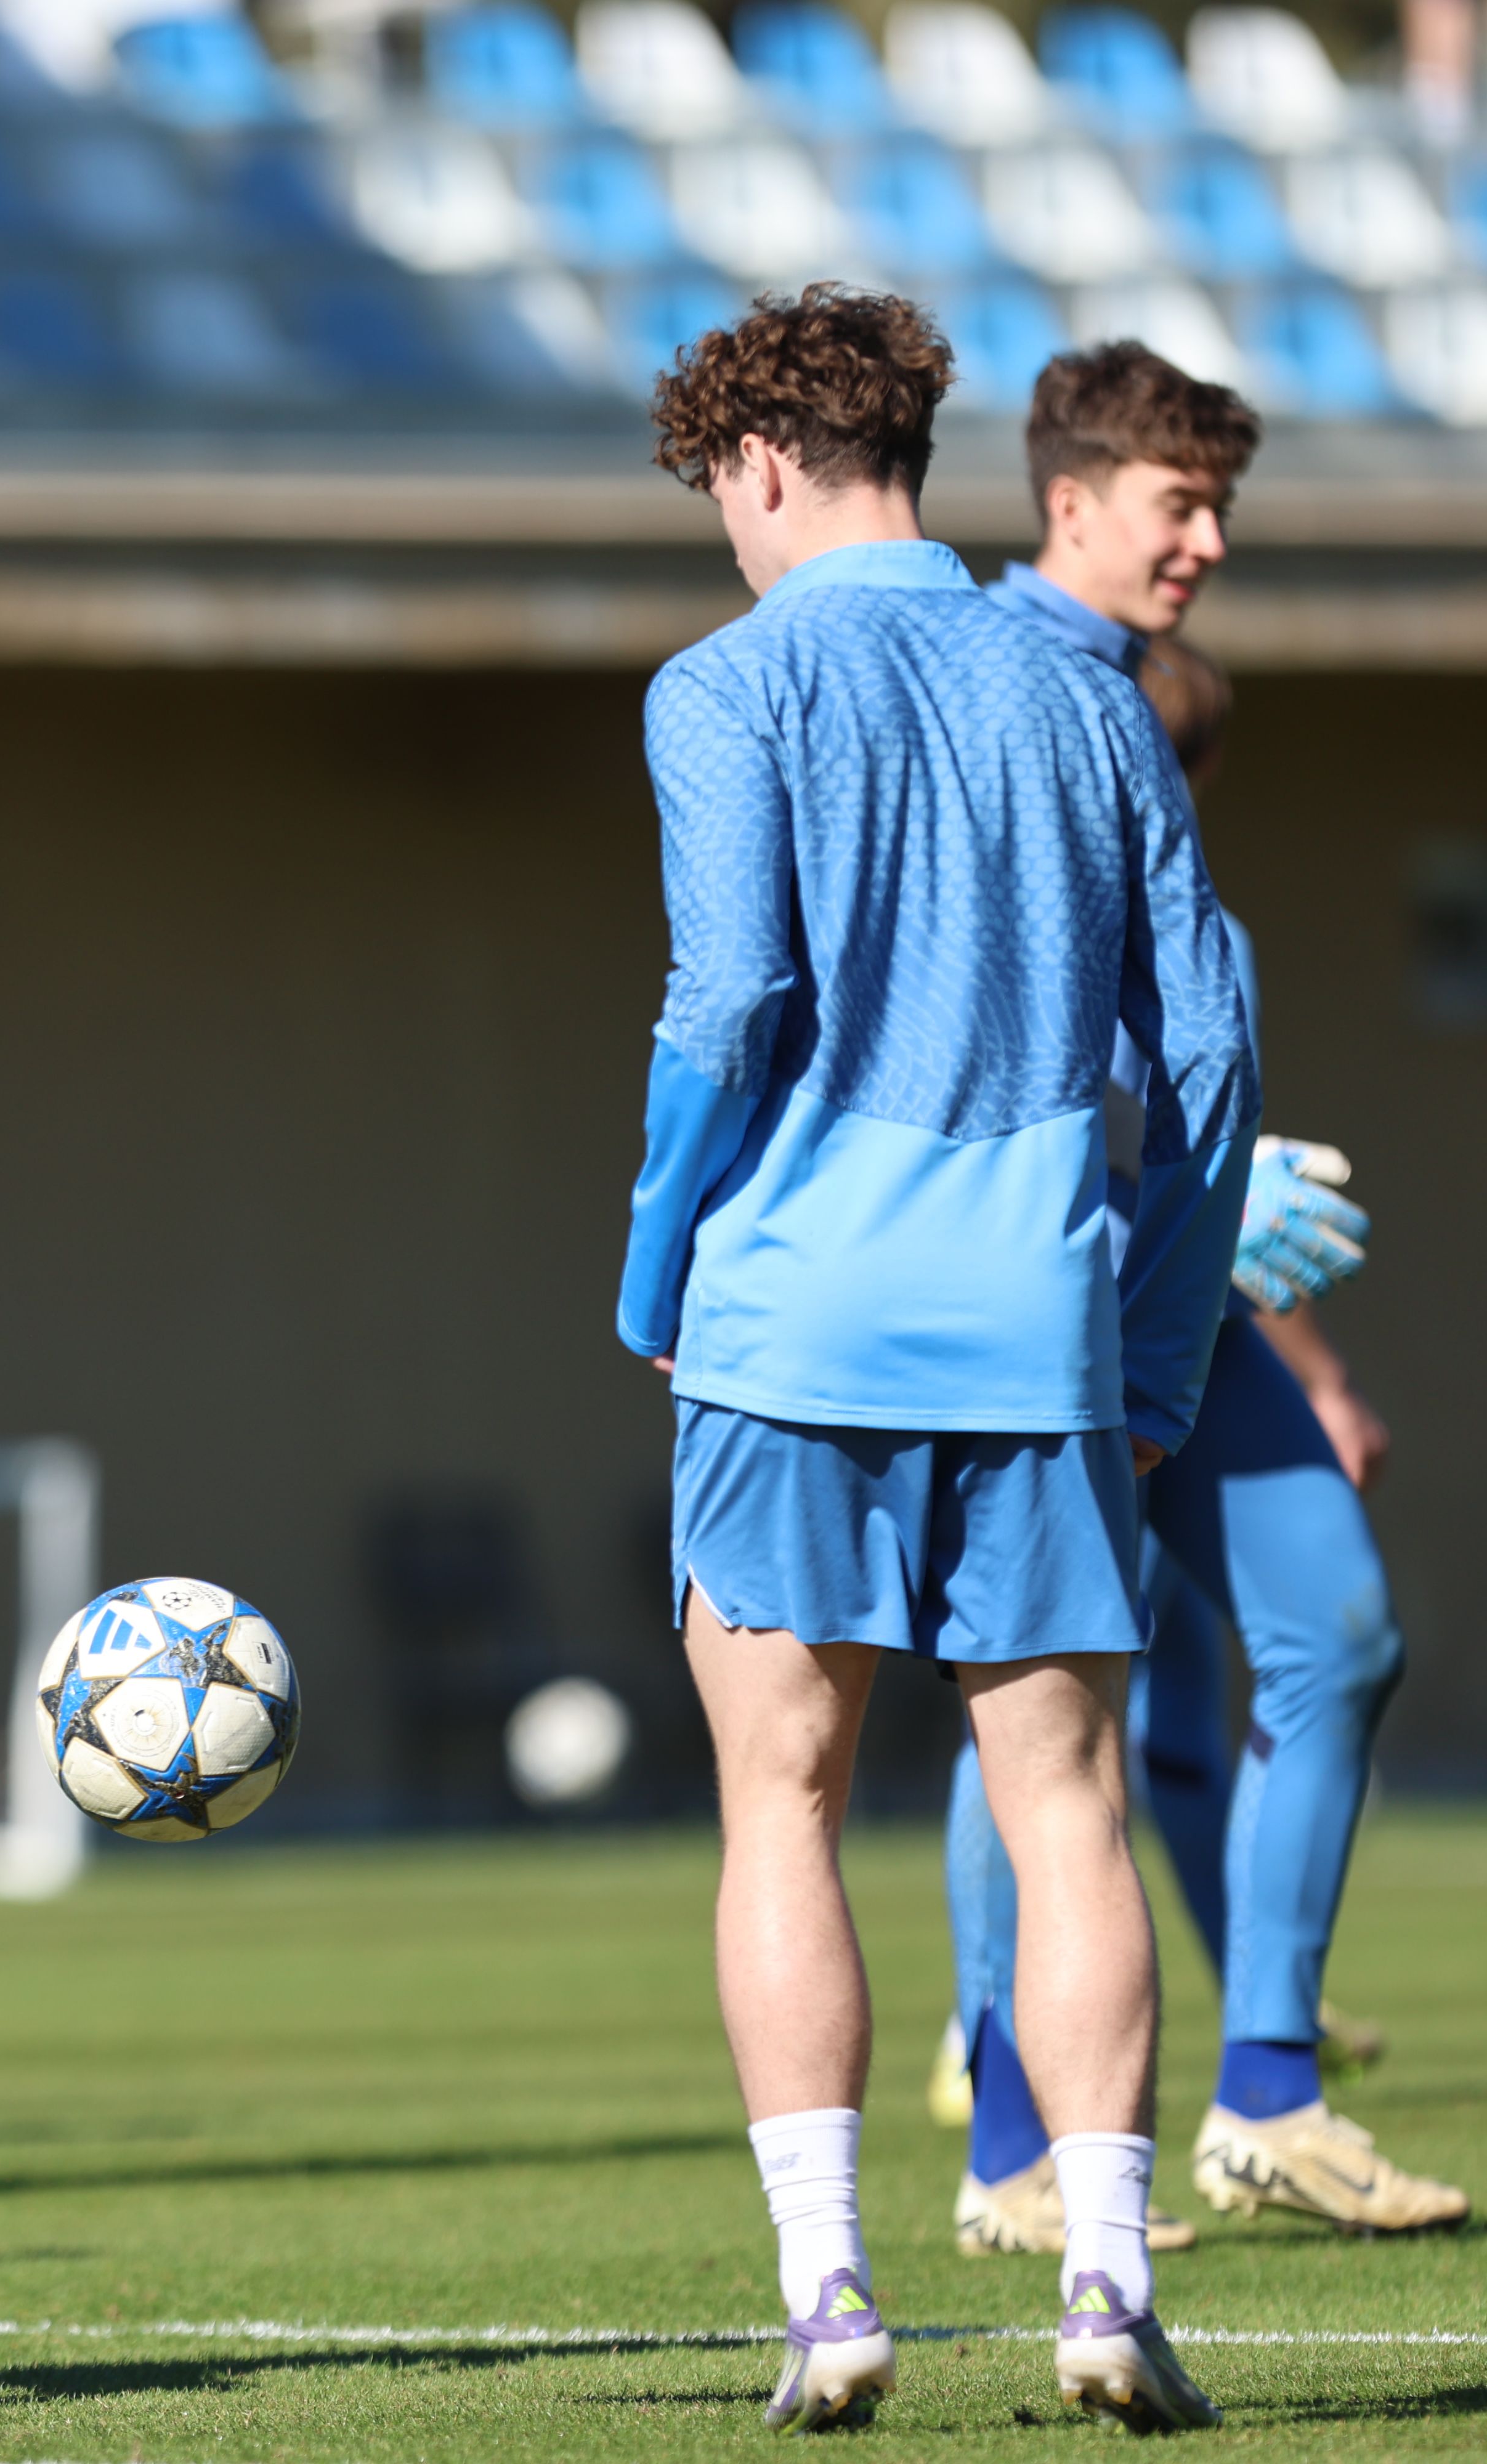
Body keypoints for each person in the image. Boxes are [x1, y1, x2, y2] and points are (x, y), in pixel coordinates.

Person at [621, 288, 1256, 2433]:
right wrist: (1156, 1330)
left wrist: (649, 1272)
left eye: (718, 491)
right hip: (1040, 1331)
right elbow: (1218, 1052)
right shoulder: (1091, 694)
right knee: (1064, 1807)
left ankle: (831, 2299)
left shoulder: (723, 685)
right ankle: (1101, 2286)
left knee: (780, 1805)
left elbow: (725, 1006)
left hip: (790, 1323)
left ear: (764, 467)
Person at [936, 343, 1462, 2243]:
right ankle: (1007, 2142)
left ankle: (1263, 2089)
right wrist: (1139, 1169)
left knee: (1330, 1628)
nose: (1207, 542)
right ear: (1067, 500)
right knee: (1044, 1699)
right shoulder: (985, 683)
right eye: (1177, 503)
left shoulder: (1122, 696)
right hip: (1026, 1275)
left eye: (1216, 506)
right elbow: (963, 1002)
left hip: (1158, 1259)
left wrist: (1208, 1189)